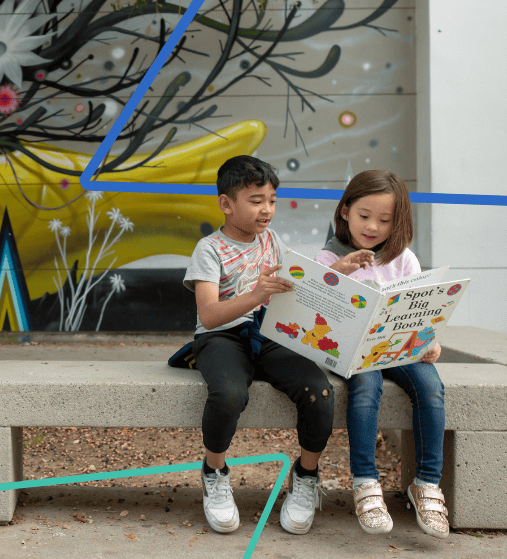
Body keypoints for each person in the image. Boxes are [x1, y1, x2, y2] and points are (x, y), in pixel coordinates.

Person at [183, 155, 334, 536]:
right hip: (220, 337)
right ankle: (214, 471)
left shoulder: (272, 240)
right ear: (226, 203)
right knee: (229, 393)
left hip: (269, 332)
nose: (267, 210)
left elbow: (294, 286)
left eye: (272, 200)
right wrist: (254, 295)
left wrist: (338, 274)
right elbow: (209, 315)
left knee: (319, 390)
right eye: (256, 201)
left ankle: (306, 476)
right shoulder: (209, 249)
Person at [315, 169, 448, 539]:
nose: (372, 227)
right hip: (354, 352)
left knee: (431, 389)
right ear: (345, 211)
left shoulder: (403, 259)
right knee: (366, 389)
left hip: (400, 349)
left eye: (385, 220)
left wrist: (429, 341)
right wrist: (339, 271)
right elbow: (315, 305)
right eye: (364, 216)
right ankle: (365, 482)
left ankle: (427, 484)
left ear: (398, 221)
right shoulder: (329, 256)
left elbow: (421, 310)